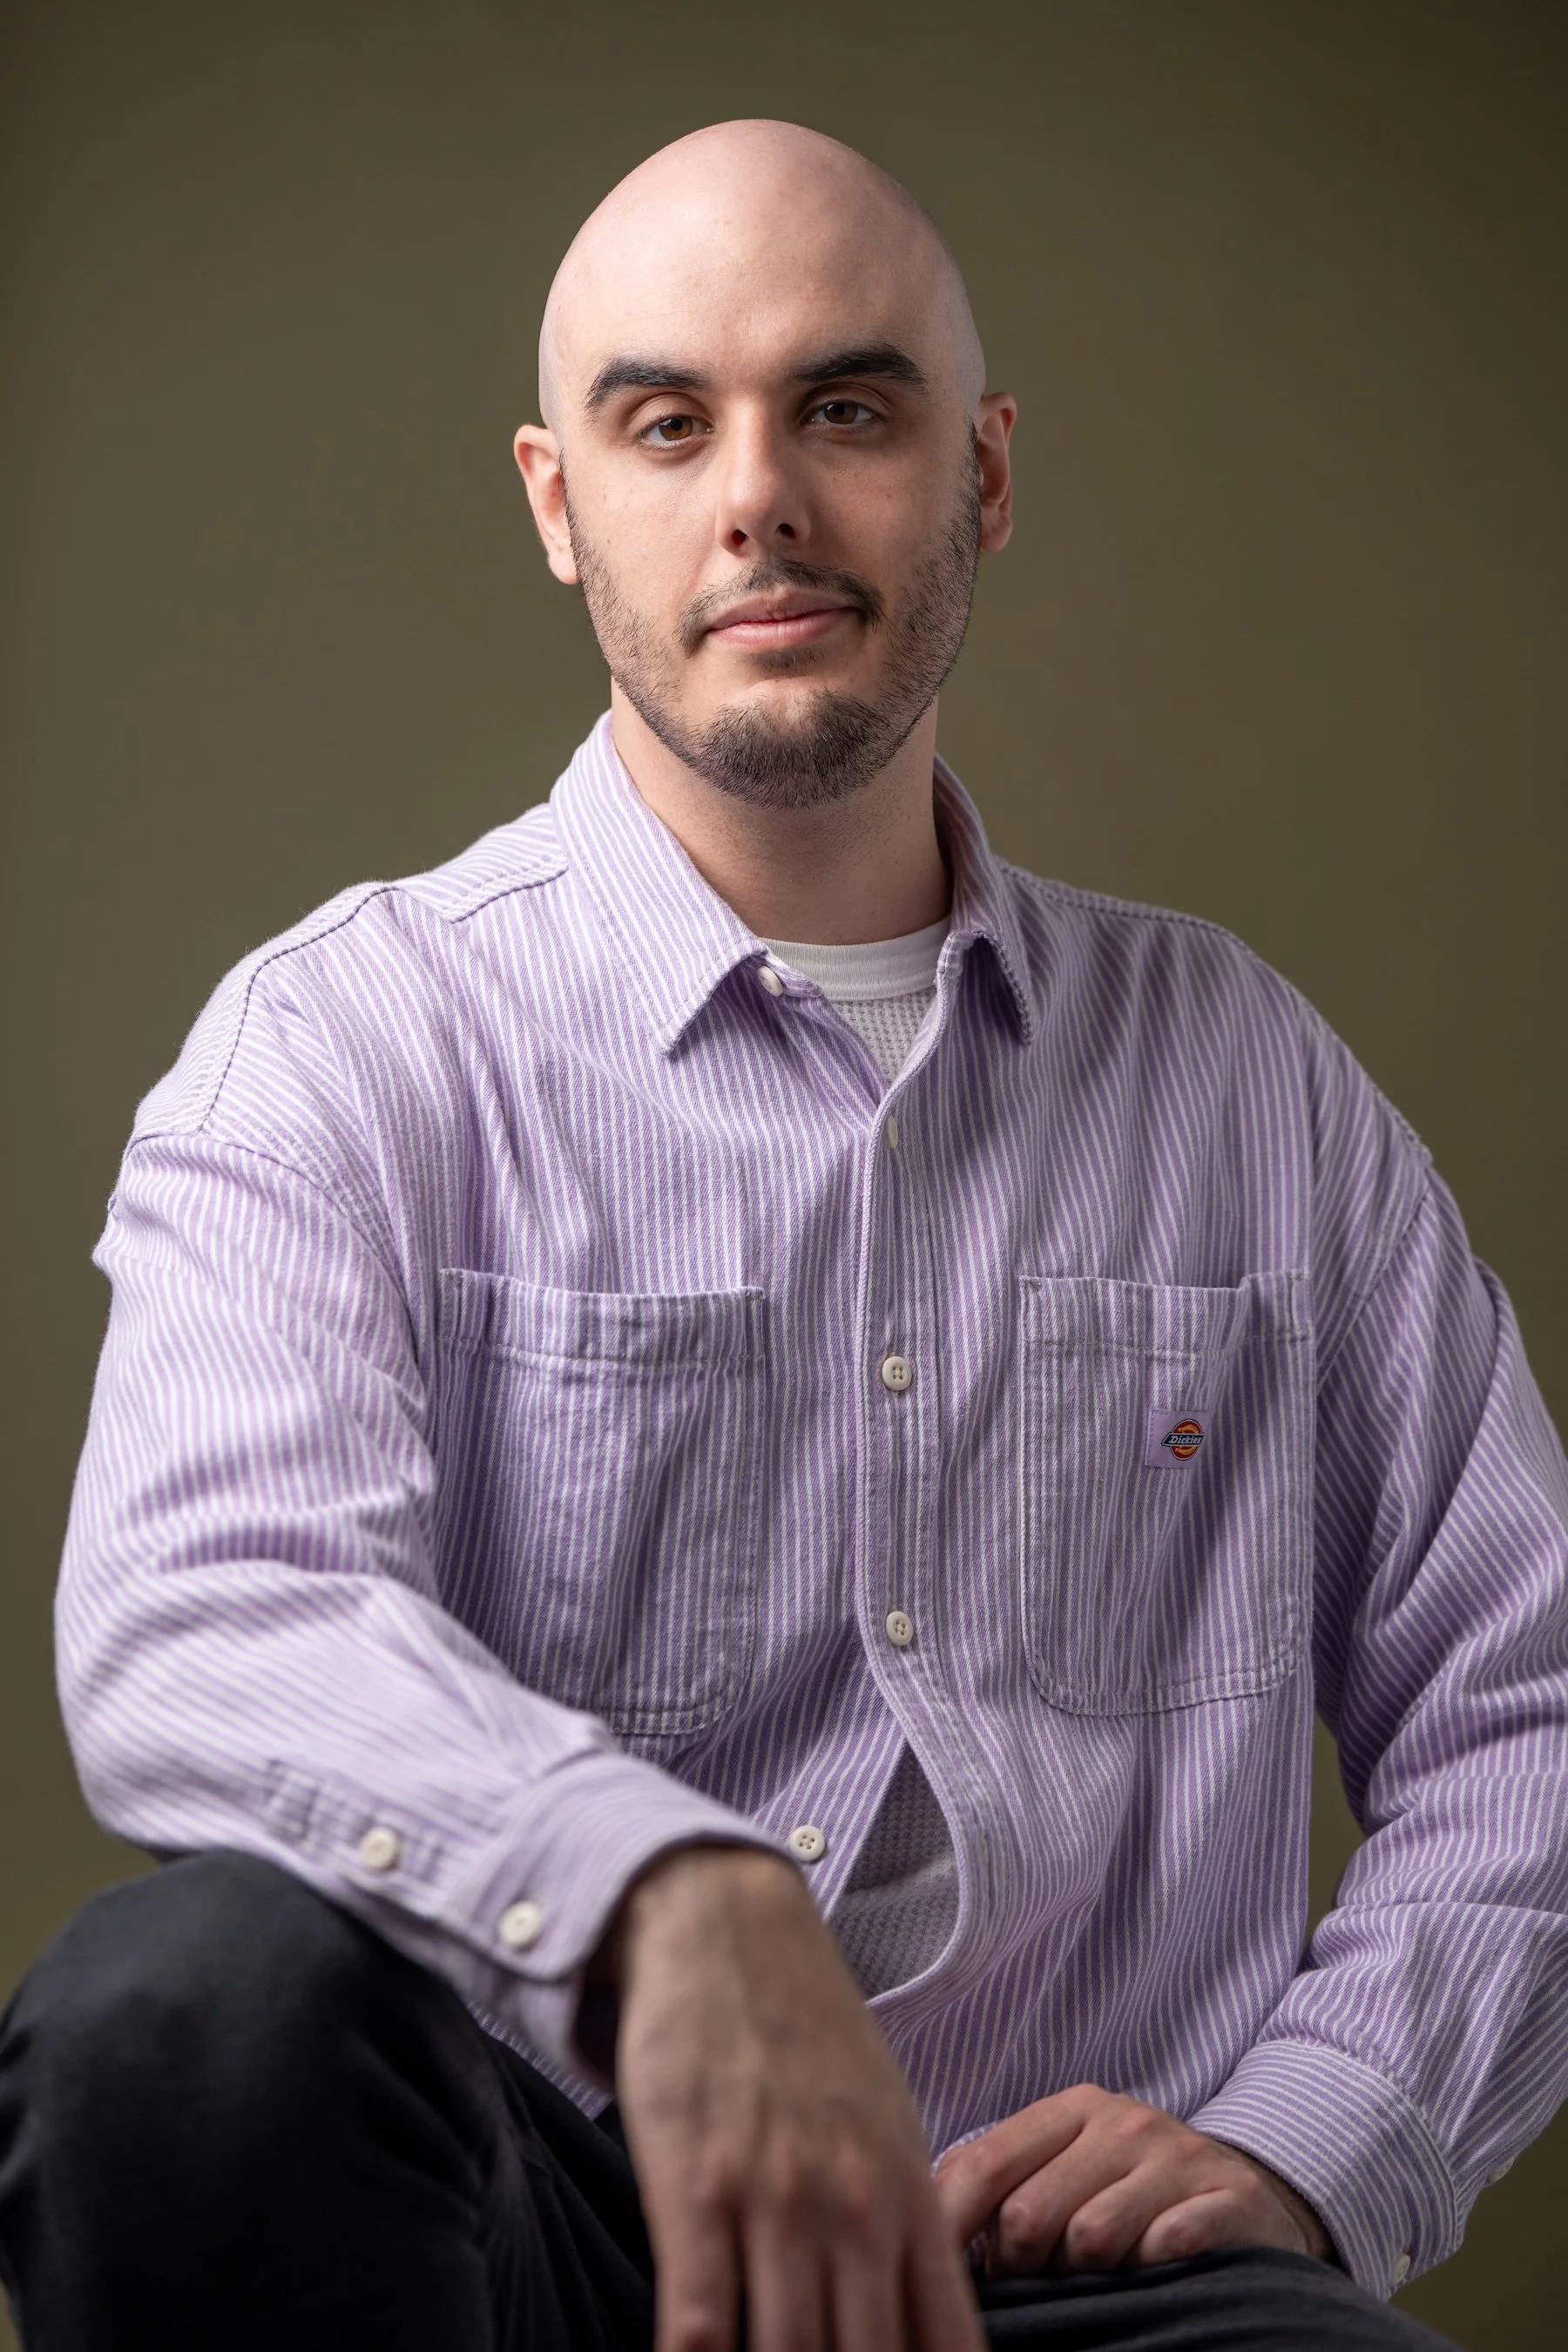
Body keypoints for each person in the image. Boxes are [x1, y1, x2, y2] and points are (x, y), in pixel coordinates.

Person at [1, 117, 1564, 2352]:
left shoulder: (1245, 1077)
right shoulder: (339, 1047)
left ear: (986, 474)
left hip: (1082, 2293)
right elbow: (205, 1613)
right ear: (560, 504)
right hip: (533, 2245)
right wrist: (657, 1891)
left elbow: (1535, 1696)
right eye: (666, 421)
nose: (760, 495)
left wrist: (1321, 2130)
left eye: (847, 406)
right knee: (182, 2010)